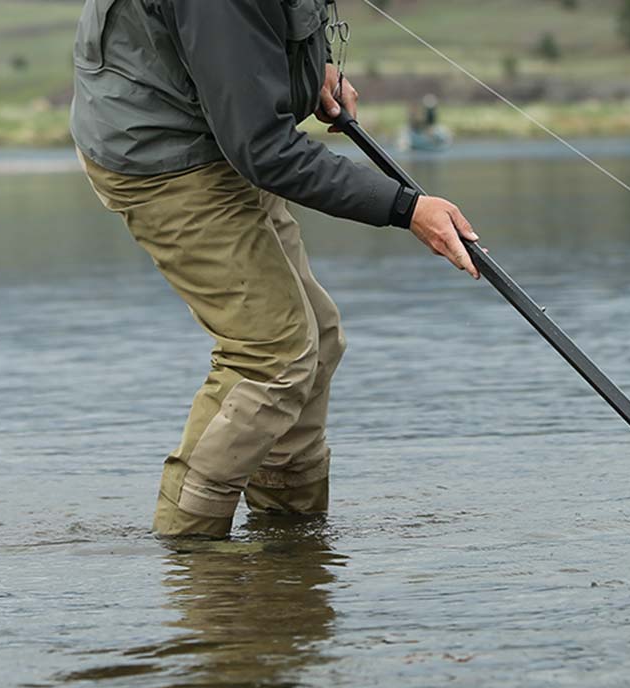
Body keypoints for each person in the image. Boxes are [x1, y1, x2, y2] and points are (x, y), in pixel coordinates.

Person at [70, 0, 480, 539]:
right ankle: (188, 548)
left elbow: (265, 38)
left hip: (219, 133)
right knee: (272, 355)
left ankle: (292, 539)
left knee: (320, 336)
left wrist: (310, 71)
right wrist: (406, 208)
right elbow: (261, 146)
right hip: (164, 159)